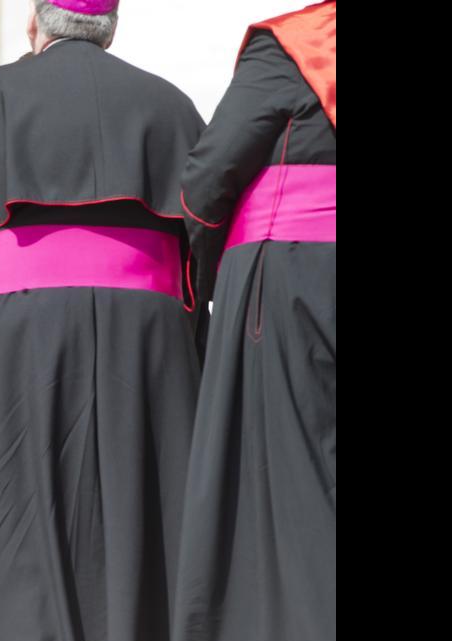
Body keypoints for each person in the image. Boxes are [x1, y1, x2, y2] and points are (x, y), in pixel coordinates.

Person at [0, 1, 206, 639]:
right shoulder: (171, 105)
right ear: (112, 27)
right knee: (136, 512)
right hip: (148, 338)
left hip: (17, 334)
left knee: (17, 518)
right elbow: (202, 245)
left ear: (33, 26)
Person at [173, 3, 336, 640]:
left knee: (294, 482)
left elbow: (208, 177)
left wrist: (207, 281)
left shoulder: (293, 45)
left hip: (295, 284)